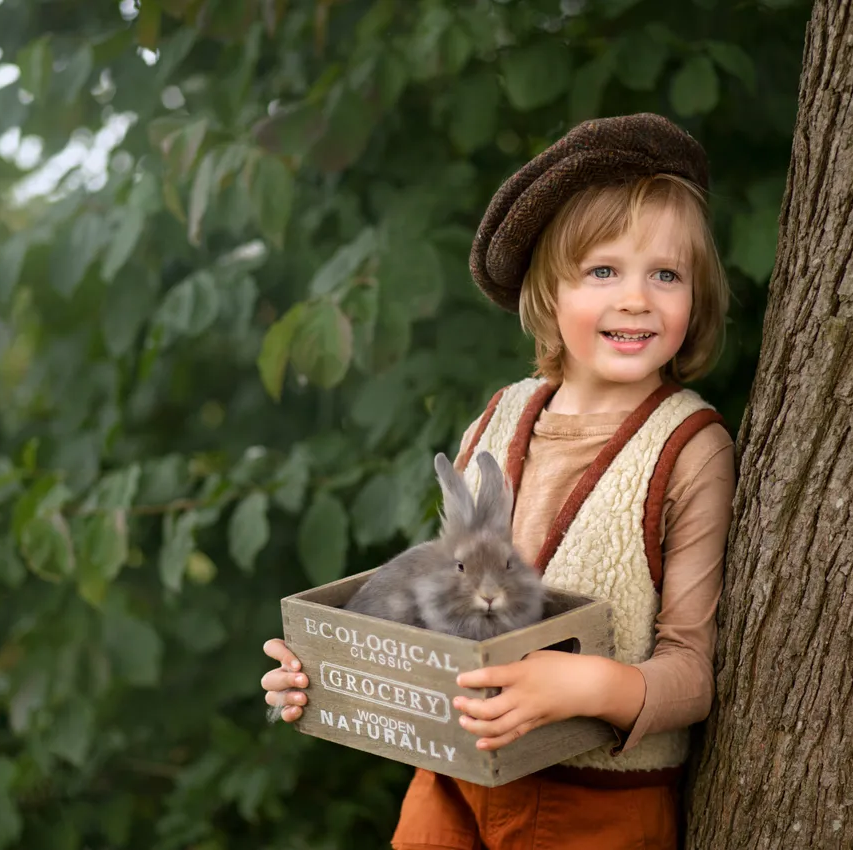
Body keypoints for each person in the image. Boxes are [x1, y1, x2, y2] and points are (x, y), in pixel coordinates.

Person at [261, 113, 736, 849]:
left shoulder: (687, 448)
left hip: (594, 804)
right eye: (603, 271)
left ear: (697, 296)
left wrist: (584, 686)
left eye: (666, 274)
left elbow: (692, 673)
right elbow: (437, 589)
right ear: (547, 294)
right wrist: (332, 667)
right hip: (451, 779)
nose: (637, 298)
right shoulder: (500, 418)